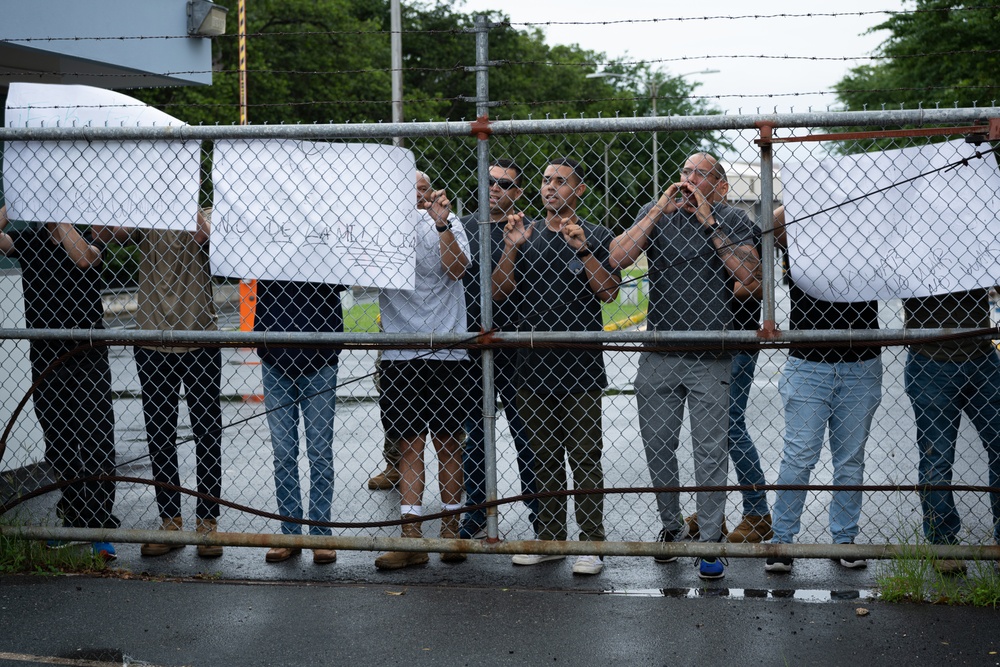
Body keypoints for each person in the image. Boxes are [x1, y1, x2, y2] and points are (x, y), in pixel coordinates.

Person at [609, 153, 760, 580]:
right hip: (659, 352)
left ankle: (710, 542)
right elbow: (617, 257)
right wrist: (658, 209)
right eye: (685, 173)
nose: (689, 180)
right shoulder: (656, 214)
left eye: (700, 175)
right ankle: (672, 529)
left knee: (710, 451)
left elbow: (748, 275)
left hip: (710, 355)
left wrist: (709, 221)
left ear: (721, 186)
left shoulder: (733, 219)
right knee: (658, 447)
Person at [493, 157, 620, 576]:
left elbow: (608, 292)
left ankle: (592, 543)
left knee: (584, 457)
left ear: (578, 190)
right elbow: (498, 292)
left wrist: (582, 248)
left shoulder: (595, 235)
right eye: (546, 181)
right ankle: (549, 539)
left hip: (580, 369)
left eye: (561, 182)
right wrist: (511, 247)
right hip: (530, 368)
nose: (550, 188)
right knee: (542, 458)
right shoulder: (522, 234)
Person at [94, 211, 224, 559]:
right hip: (151, 339)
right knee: (160, 433)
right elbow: (104, 231)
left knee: (207, 431)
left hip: (200, 338)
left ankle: (208, 523)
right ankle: (171, 522)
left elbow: (215, 244)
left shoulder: (209, 212)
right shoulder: (147, 211)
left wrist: (194, 211)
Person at [764, 206, 882, 574]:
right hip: (808, 362)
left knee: (850, 458)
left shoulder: (869, 231)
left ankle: (844, 539)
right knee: (799, 456)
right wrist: (811, 198)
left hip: (861, 361)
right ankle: (782, 540)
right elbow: (772, 222)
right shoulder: (801, 231)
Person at [0, 205, 118, 560]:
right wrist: (18, 197)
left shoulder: (88, 237)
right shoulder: (29, 241)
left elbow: (83, 259)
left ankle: (100, 526)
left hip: (87, 352)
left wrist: (58, 218)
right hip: (46, 353)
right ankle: (75, 516)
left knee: (96, 436)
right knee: (59, 438)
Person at [374, 171, 472, 570]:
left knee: (448, 445)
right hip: (400, 353)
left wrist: (441, 223)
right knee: (409, 447)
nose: (416, 193)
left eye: (422, 187)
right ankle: (411, 535)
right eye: (407, 186)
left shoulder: (448, 221)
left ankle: (451, 531)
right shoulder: (375, 225)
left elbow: (458, 269)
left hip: (446, 350)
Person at [459, 158, 539, 539]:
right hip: (473, 347)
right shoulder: (462, 228)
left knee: (527, 435)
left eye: (505, 185)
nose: (495, 189)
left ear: (518, 193)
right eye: (490, 182)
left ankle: (540, 513)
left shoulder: (530, 230)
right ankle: (475, 513)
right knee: (475, 434)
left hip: (516, 349)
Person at [903, 288, 1000, 574]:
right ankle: (943, 543)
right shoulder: (910, 242)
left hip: (982, 356)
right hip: (931, 360)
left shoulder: (978, 241)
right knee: (938, 457)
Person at [255, 279, 345, 566]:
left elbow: (346, 271)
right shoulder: (268, 240)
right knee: (283, 453)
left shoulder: (325, 236)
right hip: (275, 356)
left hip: (319, 355)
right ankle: (290, 534)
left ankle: (319, 534)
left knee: (320, 451)